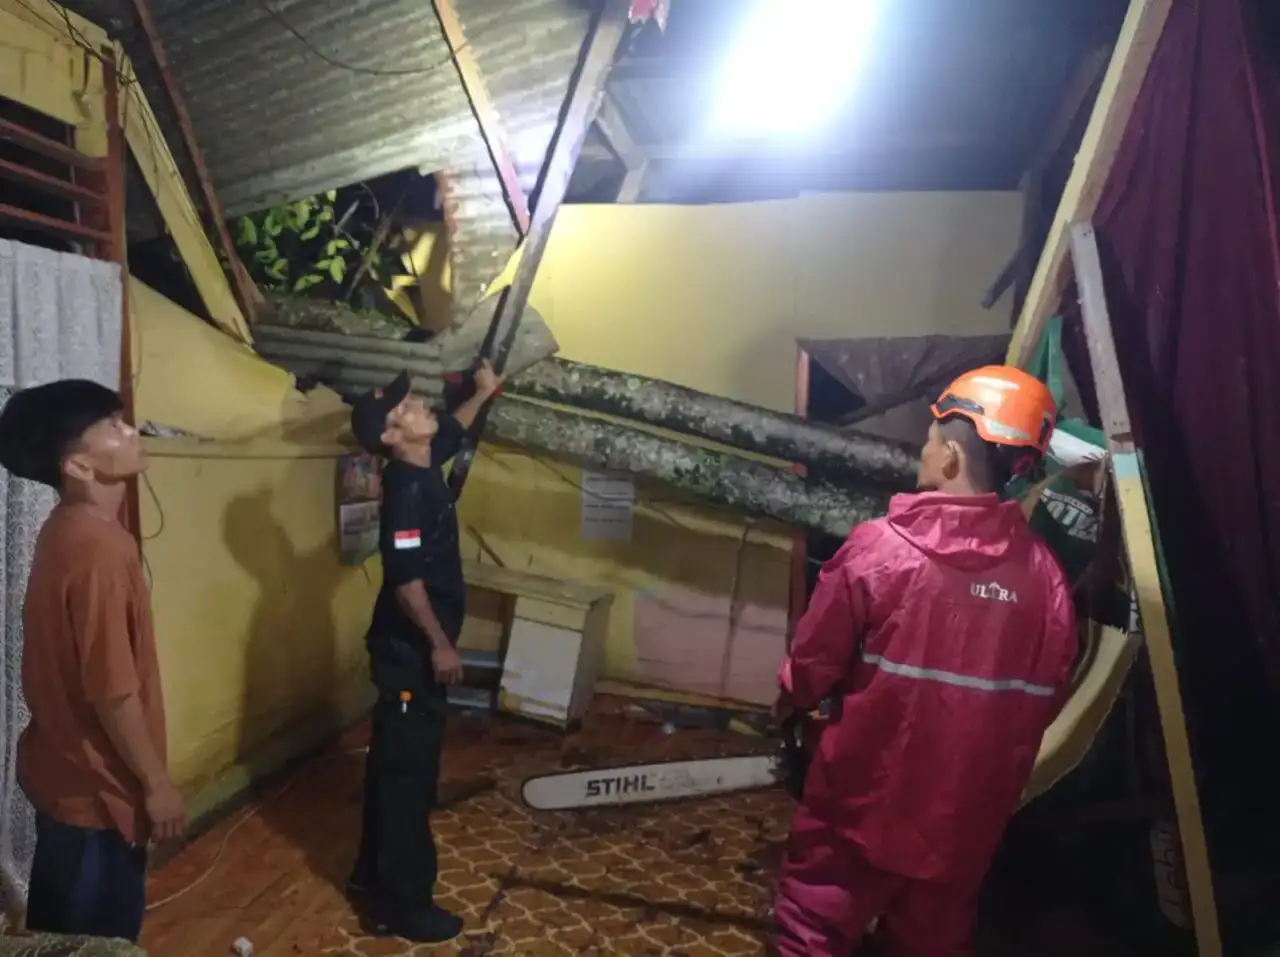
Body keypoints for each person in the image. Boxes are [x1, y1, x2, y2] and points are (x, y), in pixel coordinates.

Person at [774, 366, 1079, 957]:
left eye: (930, 440)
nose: (924, 452)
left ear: (952, 457)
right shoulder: (1047, 579)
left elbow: (812, 663)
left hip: (860, 801)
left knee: (816, 920)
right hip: (965, 818)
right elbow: (1045, 699)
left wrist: (790, 702)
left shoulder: (880, 549)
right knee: (931, 940)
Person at [0, 380, 184, 942]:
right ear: (79, 466)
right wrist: (156, 785)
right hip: (97, 797)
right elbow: (112, 691)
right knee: (97, 945)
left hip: (66, 779)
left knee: (61, 938)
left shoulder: (68, 527)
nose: (131, 430)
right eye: (112, 426)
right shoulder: (100, 549)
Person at [346, 360, 502, 943]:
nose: (420, 407)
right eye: (404, 409)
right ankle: (402, 906)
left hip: (409, 654)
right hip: (409, 658)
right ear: (392, 436)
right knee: (408, 778)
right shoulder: (406, 494)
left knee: (392, 765)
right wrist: (440, 645)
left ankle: (369, 875)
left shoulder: (424, 460)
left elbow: (454, 428)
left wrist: (483, 393)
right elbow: (406, 582)